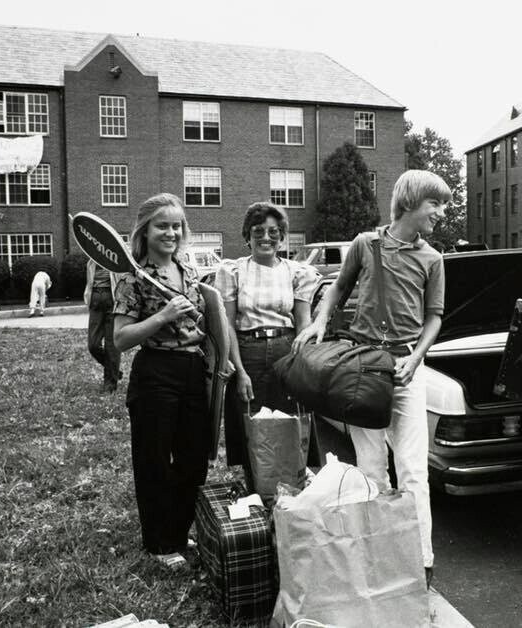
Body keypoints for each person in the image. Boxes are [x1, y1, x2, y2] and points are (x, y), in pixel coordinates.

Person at [292, 169, 452, 588]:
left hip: (406, 370)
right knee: (371, 468)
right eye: (435, 204)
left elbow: (434, 317)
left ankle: (421, 562)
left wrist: (418, 357)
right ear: (410, 203)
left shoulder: (433, 259)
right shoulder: (366, 244)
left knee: (414, 469)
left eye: (444, 205)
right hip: (364, 368)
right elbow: (337, 289)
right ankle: (378, 554)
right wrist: (319, 323)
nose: (441, 212)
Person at [112, 192, 220, 569]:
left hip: (193, 370)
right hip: (155, 371)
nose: (171, 232)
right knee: (154, 459)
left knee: (194, 458)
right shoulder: (133, 277)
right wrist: (163, 316)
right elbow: (121, 339)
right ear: (145, 230)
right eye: (163, 226)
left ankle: (178, 530)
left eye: (177, 225)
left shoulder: (187, 269)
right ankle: (159, 544)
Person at [214, 202, 321, 490]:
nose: (266, 237)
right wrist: (239, 371)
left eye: (274, 232)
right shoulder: (233, 271)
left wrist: (302, 364)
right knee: (254, 426)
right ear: (247, 236)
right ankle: (258, 491)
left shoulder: (298, 273)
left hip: (287, 352)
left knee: (290, 423)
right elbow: (228, 324)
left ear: (282, 236)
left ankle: (291, 492)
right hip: (248, 352)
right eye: (258, 231)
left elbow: (303, 322)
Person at [84, 260, 121, 393]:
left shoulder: (115, 260)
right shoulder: (91, 263)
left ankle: (110, 384)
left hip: (112, 302)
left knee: (112, 346)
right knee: (93, 345)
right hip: (95, 302)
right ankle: (114, 369)